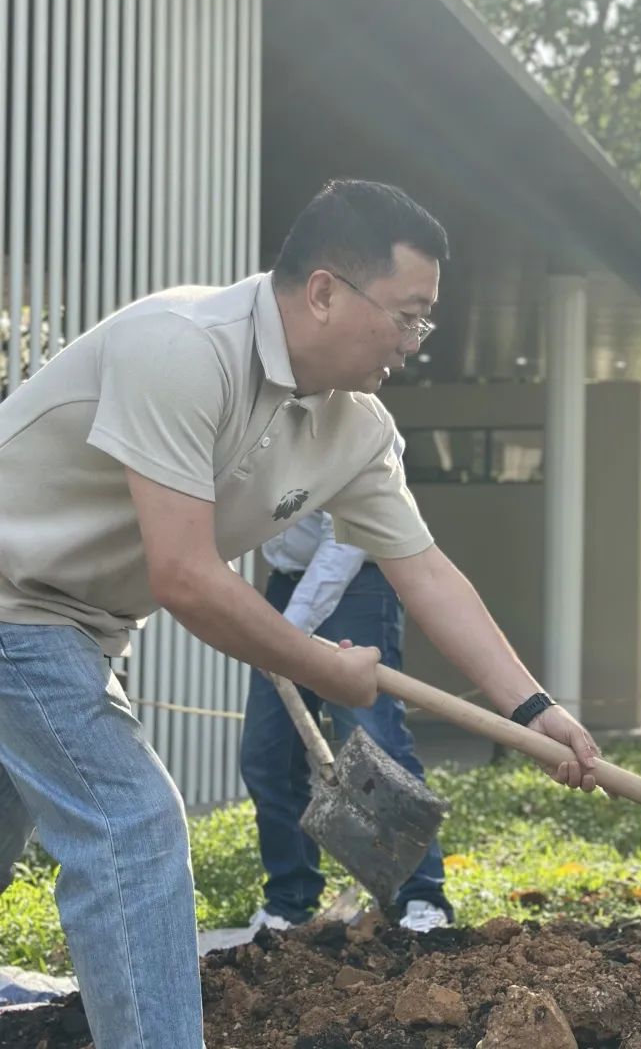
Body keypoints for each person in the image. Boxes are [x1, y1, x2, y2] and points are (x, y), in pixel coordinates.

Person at [0, 179, 600, 1049]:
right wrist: (324, 666)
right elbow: (185, 575)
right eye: (408, 316)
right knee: (132, 822)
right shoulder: (180, 345)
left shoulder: (358, 428)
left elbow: (425, 571)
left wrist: (535, 712)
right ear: (324, 291)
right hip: (16, 601)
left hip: (82, 624)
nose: (416, 342)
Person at [242, 508, 453, 933]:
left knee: (378, 746)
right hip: (282, 588)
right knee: (266, 755)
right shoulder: (251, 442)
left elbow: (344, 538)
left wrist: (287, 631)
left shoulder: (353, 441)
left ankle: (422, 895)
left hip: (354, 583)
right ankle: (290, 899)